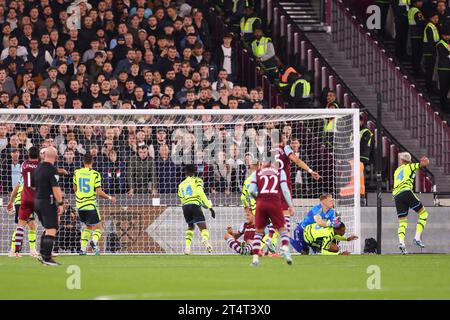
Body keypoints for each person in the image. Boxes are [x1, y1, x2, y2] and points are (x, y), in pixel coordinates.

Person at [268, 134, 320, 248]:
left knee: (278, 214)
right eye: (286, 137)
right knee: (286, 213)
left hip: (272, 185)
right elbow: (296, 160)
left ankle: (270, 240)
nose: (288, 140)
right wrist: (310, 170)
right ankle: (283, 245)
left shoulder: (270, 150)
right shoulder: (285, 148)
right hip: (283, 184)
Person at [248, 161, 294, 266]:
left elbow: (250, 191)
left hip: (261, 203)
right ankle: (285, 249)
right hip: (275, 202)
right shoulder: (279, 172)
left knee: (258, 232)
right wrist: (290, 205)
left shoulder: (257, 173)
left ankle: (255, 260)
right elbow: (285, 190)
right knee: (282, 229)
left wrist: (258, 199)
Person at [73, 153, 116, 255]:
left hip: (79, 206)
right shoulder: (95, 174)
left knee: (88, 227)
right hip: (90, 205)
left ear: (83, 162)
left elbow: (75, 189)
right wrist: (110, 197)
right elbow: (99, 192)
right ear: (92, 162)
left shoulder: (77, 172)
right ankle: (94, 242)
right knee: (100, 229)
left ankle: (83, 250)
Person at [32, 147, 64, 266]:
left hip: (37, 201)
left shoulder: (37, 168)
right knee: (52, 229)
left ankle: (42, 255)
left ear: (44, 156)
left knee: (47, 228)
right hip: (47, 201)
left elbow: (33, 186)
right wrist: (60, 203)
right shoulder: (52, 170)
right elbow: (56, 189)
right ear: (55, 157)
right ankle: (47, 258)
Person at [393, 152, 430, 254]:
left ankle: (401, 243)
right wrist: (424, 162)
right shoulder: (410, 166)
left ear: (402, 160)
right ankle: (417, 238)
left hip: (397, 196)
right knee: (424, 214)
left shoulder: (397, 171)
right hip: (406, 192)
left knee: (402, 221)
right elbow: (420, 164)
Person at [177, 164, 215, 255]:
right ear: (195, 172)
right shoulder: (197, 180)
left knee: (191, 226)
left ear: (185, 173)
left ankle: (187, 247)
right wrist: (209, 207)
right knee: (203, 227)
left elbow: (181, 198)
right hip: (195, 205)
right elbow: (200, 192)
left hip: (185, 206)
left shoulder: (181, 184)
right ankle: (205, 240)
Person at [10, 146, 40, 257]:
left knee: (30, 225)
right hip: (28, 199)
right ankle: (13, 250)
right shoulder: (40, 168)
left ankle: (28, 251)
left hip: (24, 200)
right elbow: (17, 187)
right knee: (43, 224)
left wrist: (10, 201)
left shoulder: (23, 166)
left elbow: (17, 186)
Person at [6, 178, 37, 257]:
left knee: (32, 225)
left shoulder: (32, 175)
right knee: (21, 226)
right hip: (21, 202)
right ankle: (13, 250)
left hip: (28, 202)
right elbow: (16, 188)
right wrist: (10, 202)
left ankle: (32, 251)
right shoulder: (24, 176)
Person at [423, 11, 440, 93]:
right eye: (435, 18)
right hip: (429, 53)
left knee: (431, 71)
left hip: (432, 52)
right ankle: (428, 88)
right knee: (429, 71)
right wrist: (434, 53)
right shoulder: (429, 27)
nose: (436, 19)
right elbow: (431, 42)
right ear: (430, 18)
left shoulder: (433, 26)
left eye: (437, 18)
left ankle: (430, 87)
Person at [408, 0, 426, 75]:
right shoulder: (417, 11)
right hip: (417, 34)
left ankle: (415, 70)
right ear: (415, 3)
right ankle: (417, 71)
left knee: (415, 53)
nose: (421, 3)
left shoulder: (411, 10)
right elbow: (420, 22)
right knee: (417, 54)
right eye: (419, 1)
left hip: (413, 33)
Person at [436, 27, 450, 111]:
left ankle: (445, 104)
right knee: (443, 88)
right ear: (442, 36)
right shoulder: (440, 44)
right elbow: (444, 55)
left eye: (449, 35)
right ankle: (443, 106)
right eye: (446, 35)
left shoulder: (448, 43)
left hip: (448, 68)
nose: (448, 37)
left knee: (447, 88)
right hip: (443, 69)